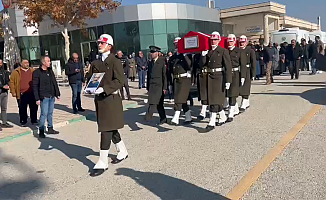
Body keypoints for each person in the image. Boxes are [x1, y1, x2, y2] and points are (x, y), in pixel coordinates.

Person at [87, 34, 128, 177]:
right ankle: (122, 151)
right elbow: (91, 78)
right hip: (100, 100)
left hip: (111, 99)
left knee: (106, 129)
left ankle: (102, 161)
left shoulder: (115, 61)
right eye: (99, 43)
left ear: (109, 46)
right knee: (111, 128)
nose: (99, 45)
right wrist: (89, 87)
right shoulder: (96, 62)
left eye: (103, 43)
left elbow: (120, 80)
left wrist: (104, 89)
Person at [199, 31, 232, 132]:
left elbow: (228, 67)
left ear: (219, 40)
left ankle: (211, 122)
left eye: (215, 40)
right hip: (209, 77)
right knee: (213, 99)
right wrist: (203, 56)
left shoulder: (223, 51)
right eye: (212, 40)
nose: (213, 41)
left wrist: (228, 80)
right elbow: (202, 64)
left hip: (219, 77)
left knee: (214, 100)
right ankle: (222, 117)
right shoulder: (209, 52)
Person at [33, 56, 60, 138]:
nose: (50, 62)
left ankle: (50, 128)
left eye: (50, 61)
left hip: (51, 95)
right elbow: (35, 86)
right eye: (48, 61)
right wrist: (37, 98)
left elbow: (54, 82)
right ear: (43, 62)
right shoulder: (37, 72)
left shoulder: (50, 71)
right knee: (43, 114)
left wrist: (57, 93)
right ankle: (41, 130)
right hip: (43, 96)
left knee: (50, 113)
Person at [169, 37, 192, 125]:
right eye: (175, 44)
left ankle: (176, 116)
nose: (176, 45)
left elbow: (190, 65)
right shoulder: (173, 57)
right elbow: (170, 71)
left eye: (178, 44)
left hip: (184, 79)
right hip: (176, 79)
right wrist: (170, 83)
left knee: (179, 98)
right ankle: (188, 116)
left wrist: (185, 55)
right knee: (183, 99)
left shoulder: (187, 55)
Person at [9, 59, 38, 126]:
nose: (27, 64)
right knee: (22, 107)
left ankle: (34, 120)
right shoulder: (16, 72)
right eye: (25, 63)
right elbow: (11, 82)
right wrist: (13, 91)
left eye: (27, 63)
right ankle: (23, 121)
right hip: (21, 93)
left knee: (34, 107)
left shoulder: (32, 71)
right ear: (21, 64)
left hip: (32, 92)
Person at [225, 34, 246, 122]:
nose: (230, 43)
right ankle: (235, 108)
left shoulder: (239, 51)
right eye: (229, 41)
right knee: (228, 93)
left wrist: (243, 76)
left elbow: (243, 65)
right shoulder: (225, 51)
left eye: (232, 41)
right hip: (227, 73)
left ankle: (230, 113)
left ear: (234, 41)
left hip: (236, 74)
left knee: (232, 94)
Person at [145, 45, 167, 125]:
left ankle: (149, 115)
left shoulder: (161, 62)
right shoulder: (150, 63)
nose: (152, 54)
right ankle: (163, 118)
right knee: (159, 104)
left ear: (157, 53)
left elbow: (164, 75)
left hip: (159, 85)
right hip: (152, 86)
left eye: (153, 52)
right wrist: (147, 86)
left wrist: (165, 87)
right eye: (151, 52)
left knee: (153, 101)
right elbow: (149, 76)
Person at [239, 35, 256, 113]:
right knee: (240, 86)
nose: (242, 44)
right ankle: (247, 101)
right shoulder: (238, 50)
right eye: (241, 42)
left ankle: (244, 102)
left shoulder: (250, 50)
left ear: (246, 42)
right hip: (240, 70)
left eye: (243, 42)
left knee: (246, 86)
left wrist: (253, 73)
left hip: (247, 69)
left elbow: (253, 62)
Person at [0, 59, 13, 129]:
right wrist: (2, 86)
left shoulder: (5, 72)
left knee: (4, 108)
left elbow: (8, 80)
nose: (0, 64)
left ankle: (4, 122)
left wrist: (8, 85)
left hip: (5, 92)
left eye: (1, 63)